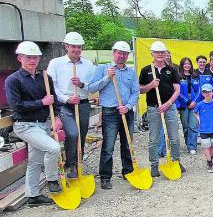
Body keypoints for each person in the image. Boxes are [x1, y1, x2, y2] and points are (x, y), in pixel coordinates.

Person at [5, 41, 62, 206]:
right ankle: (52, 179)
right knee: (53, 148)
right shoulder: (13, 80)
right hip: (25, 125)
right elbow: (17, 107)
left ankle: (33, 196)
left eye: (36, 57)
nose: (32, 61)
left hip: (43, 124)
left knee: (35, 161)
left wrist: (56, 117)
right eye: (29, 57)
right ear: (19, 58)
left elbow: (54, 100)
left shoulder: (44, 78)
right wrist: (42, 102)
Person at [87, 41, 139, 189]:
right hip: (110, 112)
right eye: (119, 53)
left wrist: (128, 106)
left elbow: (135, 92)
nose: (121, 56)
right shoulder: (103, 69)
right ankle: (105, 176)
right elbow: (91, 88)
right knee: (108, 146)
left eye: (124, 54)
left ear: (127, 55)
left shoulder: (131, 72)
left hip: (126, 112)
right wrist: (107, 77)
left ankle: (128, 171)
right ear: (113, 52)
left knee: (127, 144)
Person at [46, 32, 95, 180]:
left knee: (81, 135)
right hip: (64, 105)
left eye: (79, 47)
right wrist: (67, 99)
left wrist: (81, 84)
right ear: (66, 46)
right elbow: (52, 86)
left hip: (83, 104)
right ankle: (70, 164)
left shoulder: (88, 65)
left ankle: (78, 161)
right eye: (73, 46)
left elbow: (92, 86)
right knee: (72, 133)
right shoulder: (56, 63)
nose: (76, 50)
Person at [138, 41, 185, 177]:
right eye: (157, 52)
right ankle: (154, 165)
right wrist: (151, 85)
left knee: (174, 137)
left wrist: (168, 103)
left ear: (165, 54)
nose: (160, 55)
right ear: (152, 53)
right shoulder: (146, 70)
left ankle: (176, 161)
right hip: (153, 108)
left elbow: (177, 90)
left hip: (169, 108)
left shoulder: (172, 70)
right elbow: (140, 90)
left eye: (162, 52)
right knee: (153, 138)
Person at [176, 57, 200, 154]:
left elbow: (199, 90)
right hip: (183, 104)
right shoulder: (178, 76)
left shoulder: (195, 76)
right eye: (185, 64)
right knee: (186, 126)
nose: (187, 65)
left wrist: (194, 101)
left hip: (195, 103)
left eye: (188, 64)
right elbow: (177, 91)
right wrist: (187, 102)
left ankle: (192, 146)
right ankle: (188, 143)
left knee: (193, 126)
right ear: (182, 65)